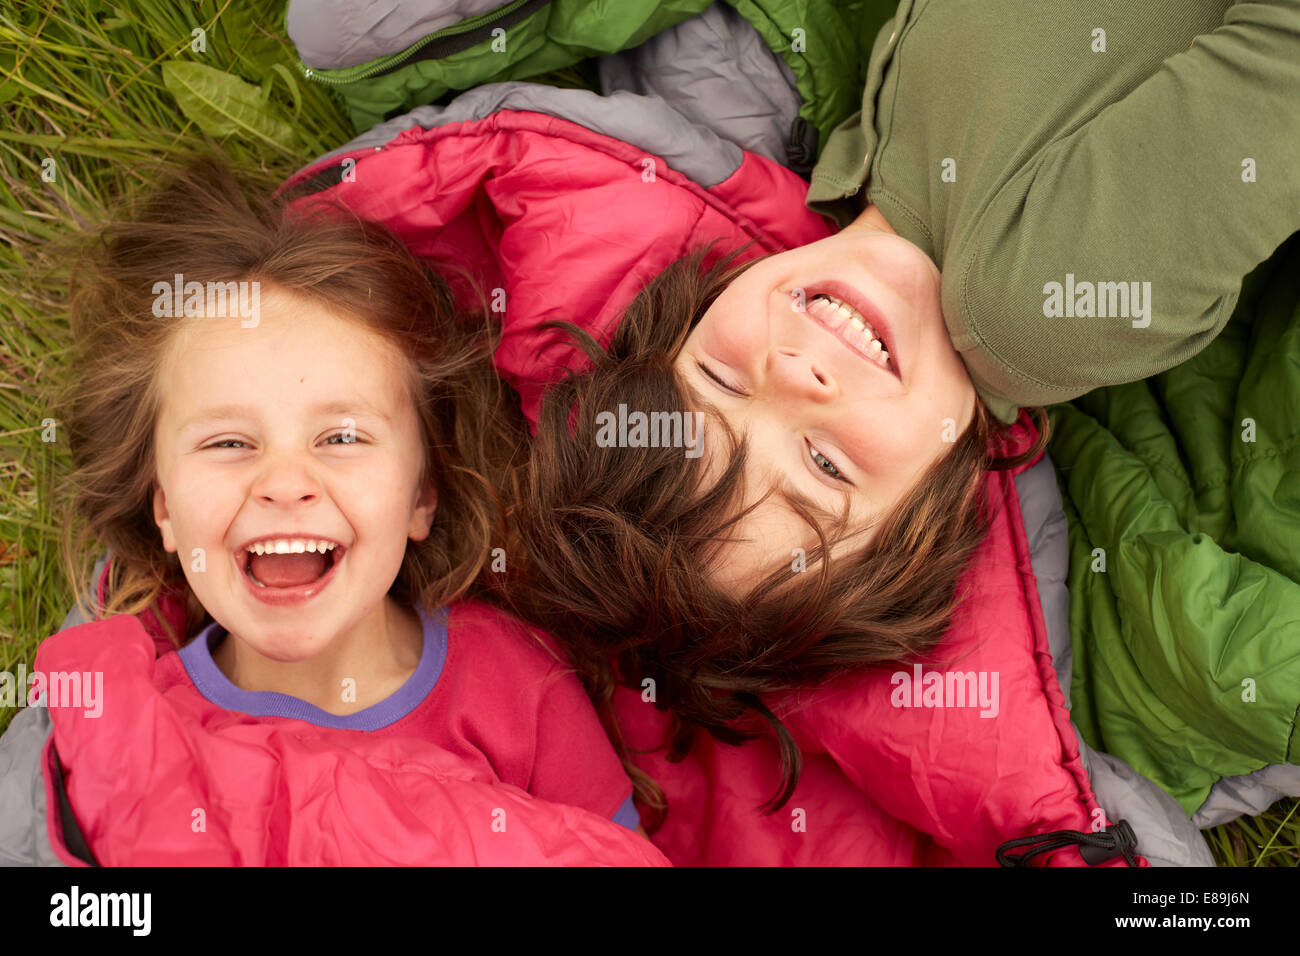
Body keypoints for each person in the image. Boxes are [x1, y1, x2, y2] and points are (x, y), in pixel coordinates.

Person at [496, 0, 1300, 819]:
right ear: (936, 514)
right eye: (824, 464)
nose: (798, 374)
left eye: (722, 384)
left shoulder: (864, 158)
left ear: (683, 320)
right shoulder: (1034, 310)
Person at [0, 156, 649, 864]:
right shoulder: (148, 727)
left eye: (341, 437)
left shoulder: (519, 683)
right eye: (227, 441)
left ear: (421, 498)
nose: (285, 482)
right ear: (164, 510)